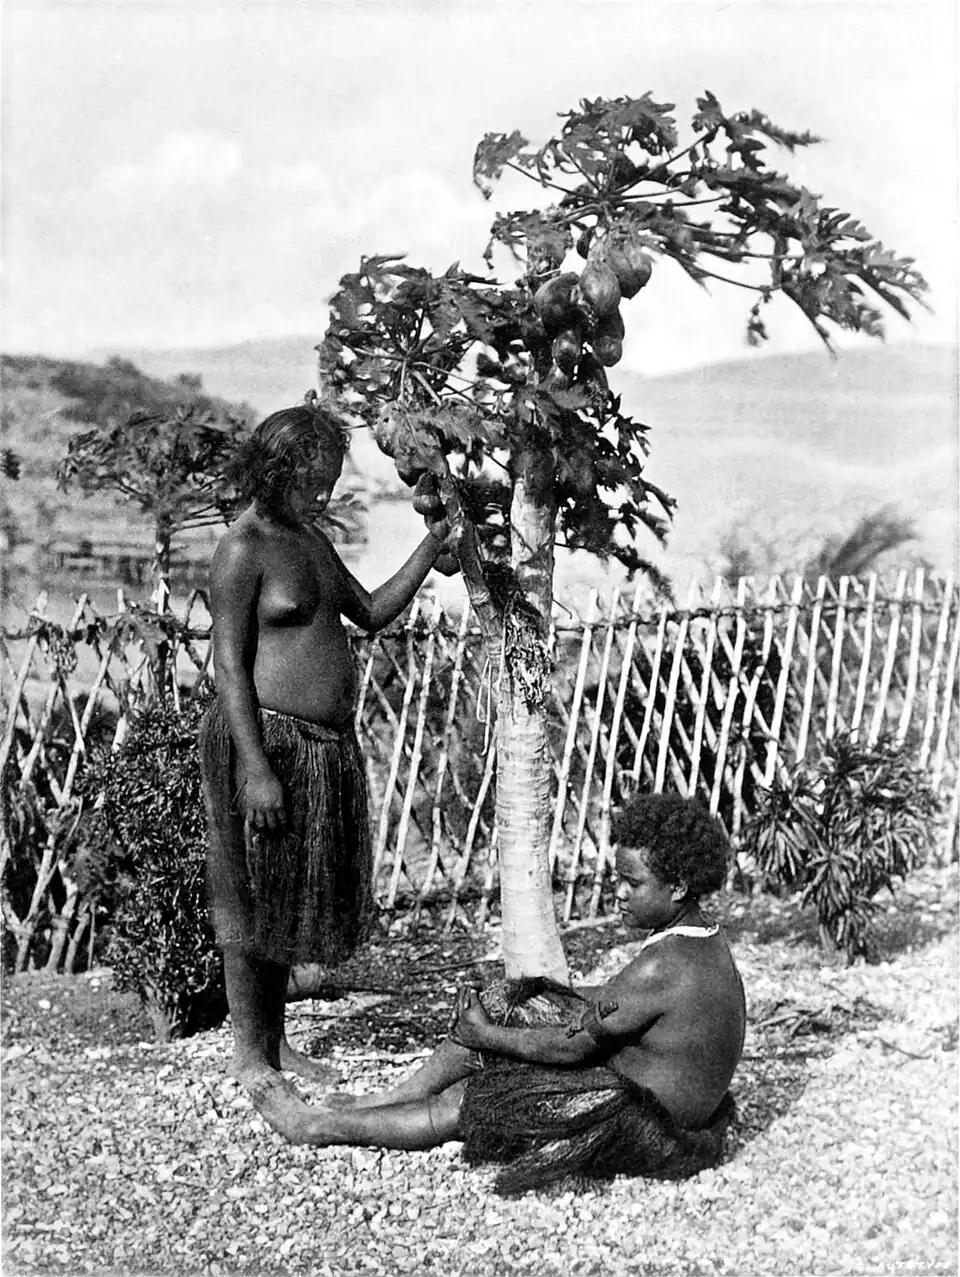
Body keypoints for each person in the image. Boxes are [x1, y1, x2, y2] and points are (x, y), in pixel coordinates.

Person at [253, 793, 747, 1195]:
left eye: (631, 883)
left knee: (474, 1096)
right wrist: (536, 1001)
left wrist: (486, 1035)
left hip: (652, 1123)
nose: (617, 892)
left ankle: (318, 1126)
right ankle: (387, 1100)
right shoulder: (701, 940)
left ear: (679, 885)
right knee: (514, 999)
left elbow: (573, 1045)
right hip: (671, 1101)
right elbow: (624, 1005)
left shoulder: (662, 964)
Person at [198, 403, 457, 1107]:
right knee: (251, 892)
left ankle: (275, 1040)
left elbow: (371, 610)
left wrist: (431, 548)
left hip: (321, 746)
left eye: (329, 481)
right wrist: (254, 767)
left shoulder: (308, 539)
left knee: (283, 890)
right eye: (312, 481)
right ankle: (250, 1053)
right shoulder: (242, 548)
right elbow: (227, 667)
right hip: (266, 740)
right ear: (277, 469)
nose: (322, 493)